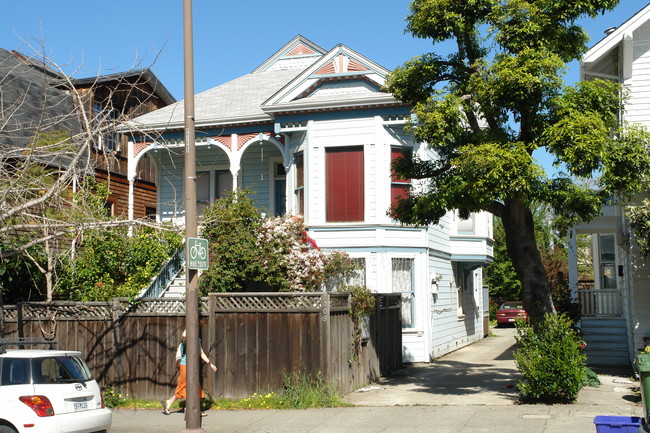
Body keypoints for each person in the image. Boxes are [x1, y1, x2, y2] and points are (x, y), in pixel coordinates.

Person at [162, 329, 217, 416]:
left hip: (193, 366)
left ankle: (192, 409)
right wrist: (188, 328)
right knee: (183, 386)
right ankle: (170, 403)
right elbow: (184, 335)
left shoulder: (198, 340)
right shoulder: (185, 340)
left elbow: (201, 354)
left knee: (195, 387)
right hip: (185, 365)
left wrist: (210, 363)